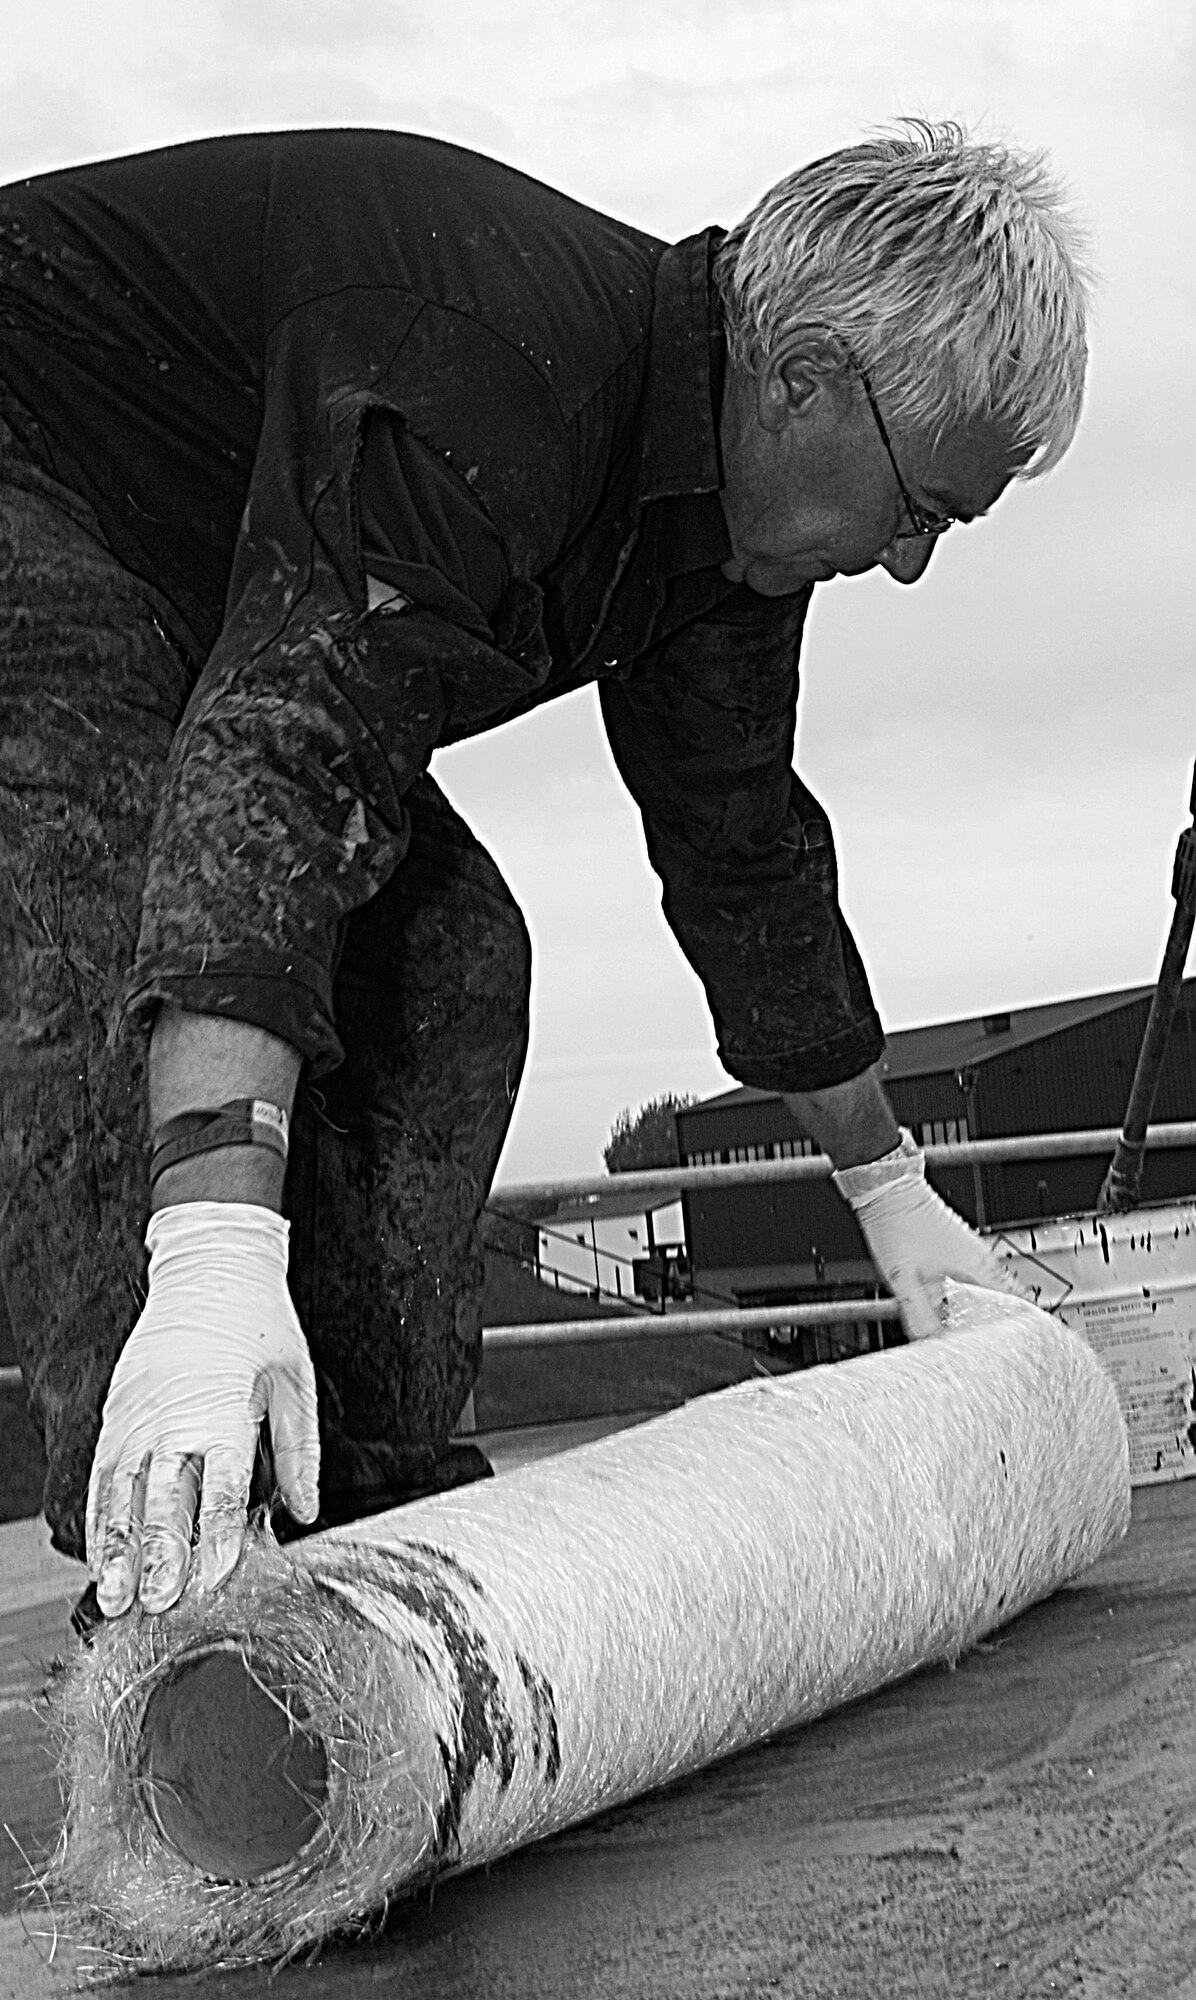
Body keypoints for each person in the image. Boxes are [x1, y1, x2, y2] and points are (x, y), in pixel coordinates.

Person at [0, 119, 1090, 1624]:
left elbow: (744, 860)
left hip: (199, 577)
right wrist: (211, 1247)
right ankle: (172, 1565)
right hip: (32, 473)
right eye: (922, 511)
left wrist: (891, 1191)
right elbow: (284, 764)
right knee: (116, 896)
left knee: (450, 959)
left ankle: (358, 1533)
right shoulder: (503, 380)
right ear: (807, 376)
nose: (907, 564)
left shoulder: (722, 537)